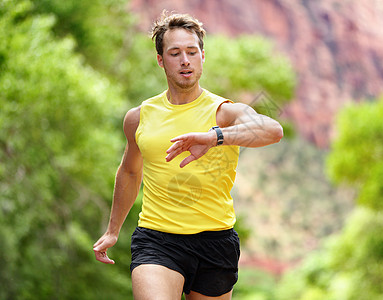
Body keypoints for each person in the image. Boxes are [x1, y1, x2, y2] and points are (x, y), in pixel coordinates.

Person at [93, 11, 283, 300]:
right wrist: (112, 229)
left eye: (192, 52)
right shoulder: (139, 117)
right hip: (157, 238)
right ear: (160, 60)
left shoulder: (225, 111)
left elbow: (273, 129)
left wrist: (216, 137)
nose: (185, 60)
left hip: (215, 240)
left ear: (202, 56)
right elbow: (130, 171)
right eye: (175, 53)